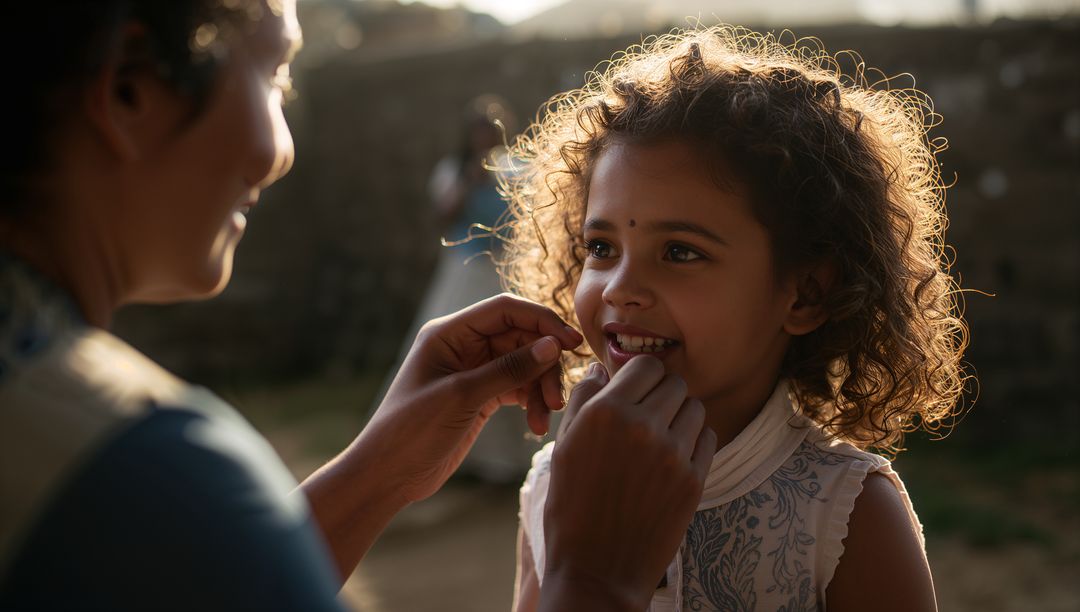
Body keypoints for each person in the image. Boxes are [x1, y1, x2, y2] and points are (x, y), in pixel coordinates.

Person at [0, 2, 717, 610]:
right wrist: (589, 581)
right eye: (276, 75)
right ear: (129, 91)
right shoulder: (134, 475)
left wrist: (380, 471)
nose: (282, 152)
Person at [501, 26, 970, 611]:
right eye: (601, 248)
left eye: (680, 252)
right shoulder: (556, 486)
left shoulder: (848, 514)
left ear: (804, 295)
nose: (621, 289)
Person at [376, 95, 538, 483]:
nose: (483, 138)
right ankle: (444, 454)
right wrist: (469, 179)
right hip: (463, 272)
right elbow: (444, 215)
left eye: (489, 131)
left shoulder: (517, 169)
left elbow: (527, 217)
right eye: (477, 132)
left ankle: (513, 458)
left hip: (505, 273)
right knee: (448, 351)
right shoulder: (451, 171)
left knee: (510, 354)